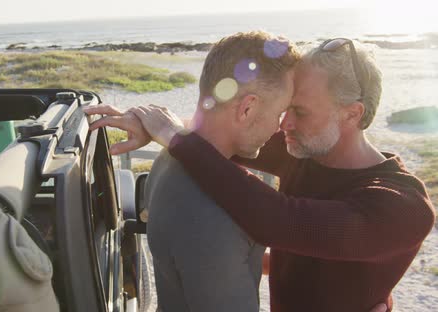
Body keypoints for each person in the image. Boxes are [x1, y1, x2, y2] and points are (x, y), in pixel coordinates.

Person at [83, 37, 435, 311]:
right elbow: (226, 132)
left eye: (299, 110)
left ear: (352, 114)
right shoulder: (305, 149)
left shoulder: (401, 206)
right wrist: (150, 121)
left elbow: (278, 220)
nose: (285, 124)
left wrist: (175, 138)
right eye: (284, 108)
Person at [140, 31, 299, 312]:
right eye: (280, 113)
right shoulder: (213, 214)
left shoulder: (170, 157)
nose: (280, 127)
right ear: (247, 108)